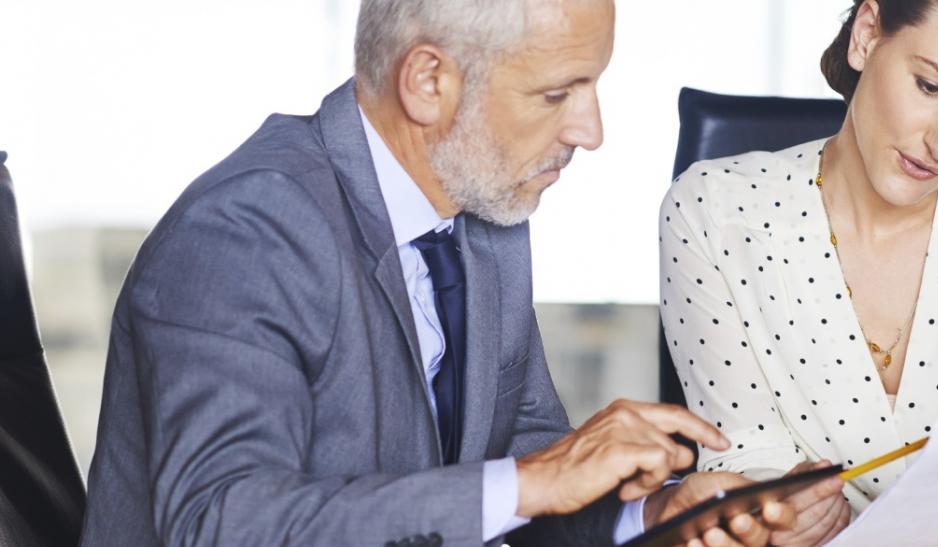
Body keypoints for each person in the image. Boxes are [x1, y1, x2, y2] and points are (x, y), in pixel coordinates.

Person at [79, 1, 799, 545]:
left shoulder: (485, 215)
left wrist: (652, 514)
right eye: (557, 94)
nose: (592, 130)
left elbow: (528, 475)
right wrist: (533, 479)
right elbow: (218, 521)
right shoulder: (246, 228)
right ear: (427, 81)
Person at [659, 1, 938, 545]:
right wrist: (776, 509)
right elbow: (741, 460)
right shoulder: (715, 211)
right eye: (930, 87)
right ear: (867, 35)